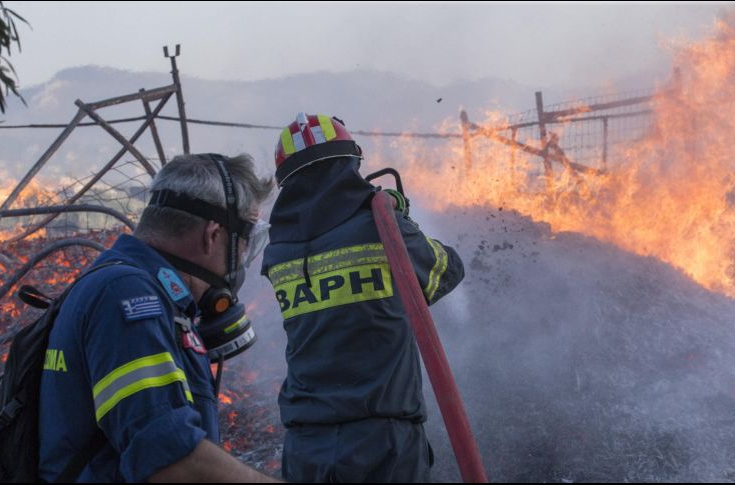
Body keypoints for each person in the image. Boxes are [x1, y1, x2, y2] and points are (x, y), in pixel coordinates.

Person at [38, 153, 280, 482]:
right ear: (213, 235)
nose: (244, 258)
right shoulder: (128, 297)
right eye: (246, 240)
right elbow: (169, 461)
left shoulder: (137, 291)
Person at [261, 113, 465, 482]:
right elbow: (444, 274)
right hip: (381, 440)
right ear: (349, 165)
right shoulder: (379, 225)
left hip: (305, 443)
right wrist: (402, 221)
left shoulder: (277, 253)